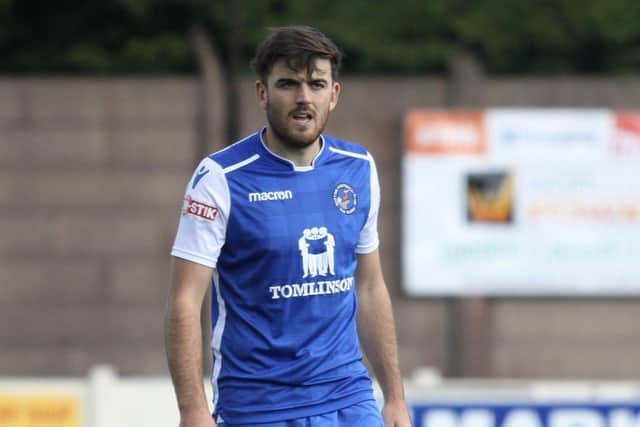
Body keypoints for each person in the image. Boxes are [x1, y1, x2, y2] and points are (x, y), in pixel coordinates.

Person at [165, 25, 412, 427]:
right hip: (259, 408)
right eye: (288, 84)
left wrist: (395, 397)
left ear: (334, 94)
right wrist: (191, 410)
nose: (303, 98)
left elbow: (368, 287)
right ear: (262, 93)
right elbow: (185, 301)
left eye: (316, 84)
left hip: (350, 399)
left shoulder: (359, 169)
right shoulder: (221, 178)